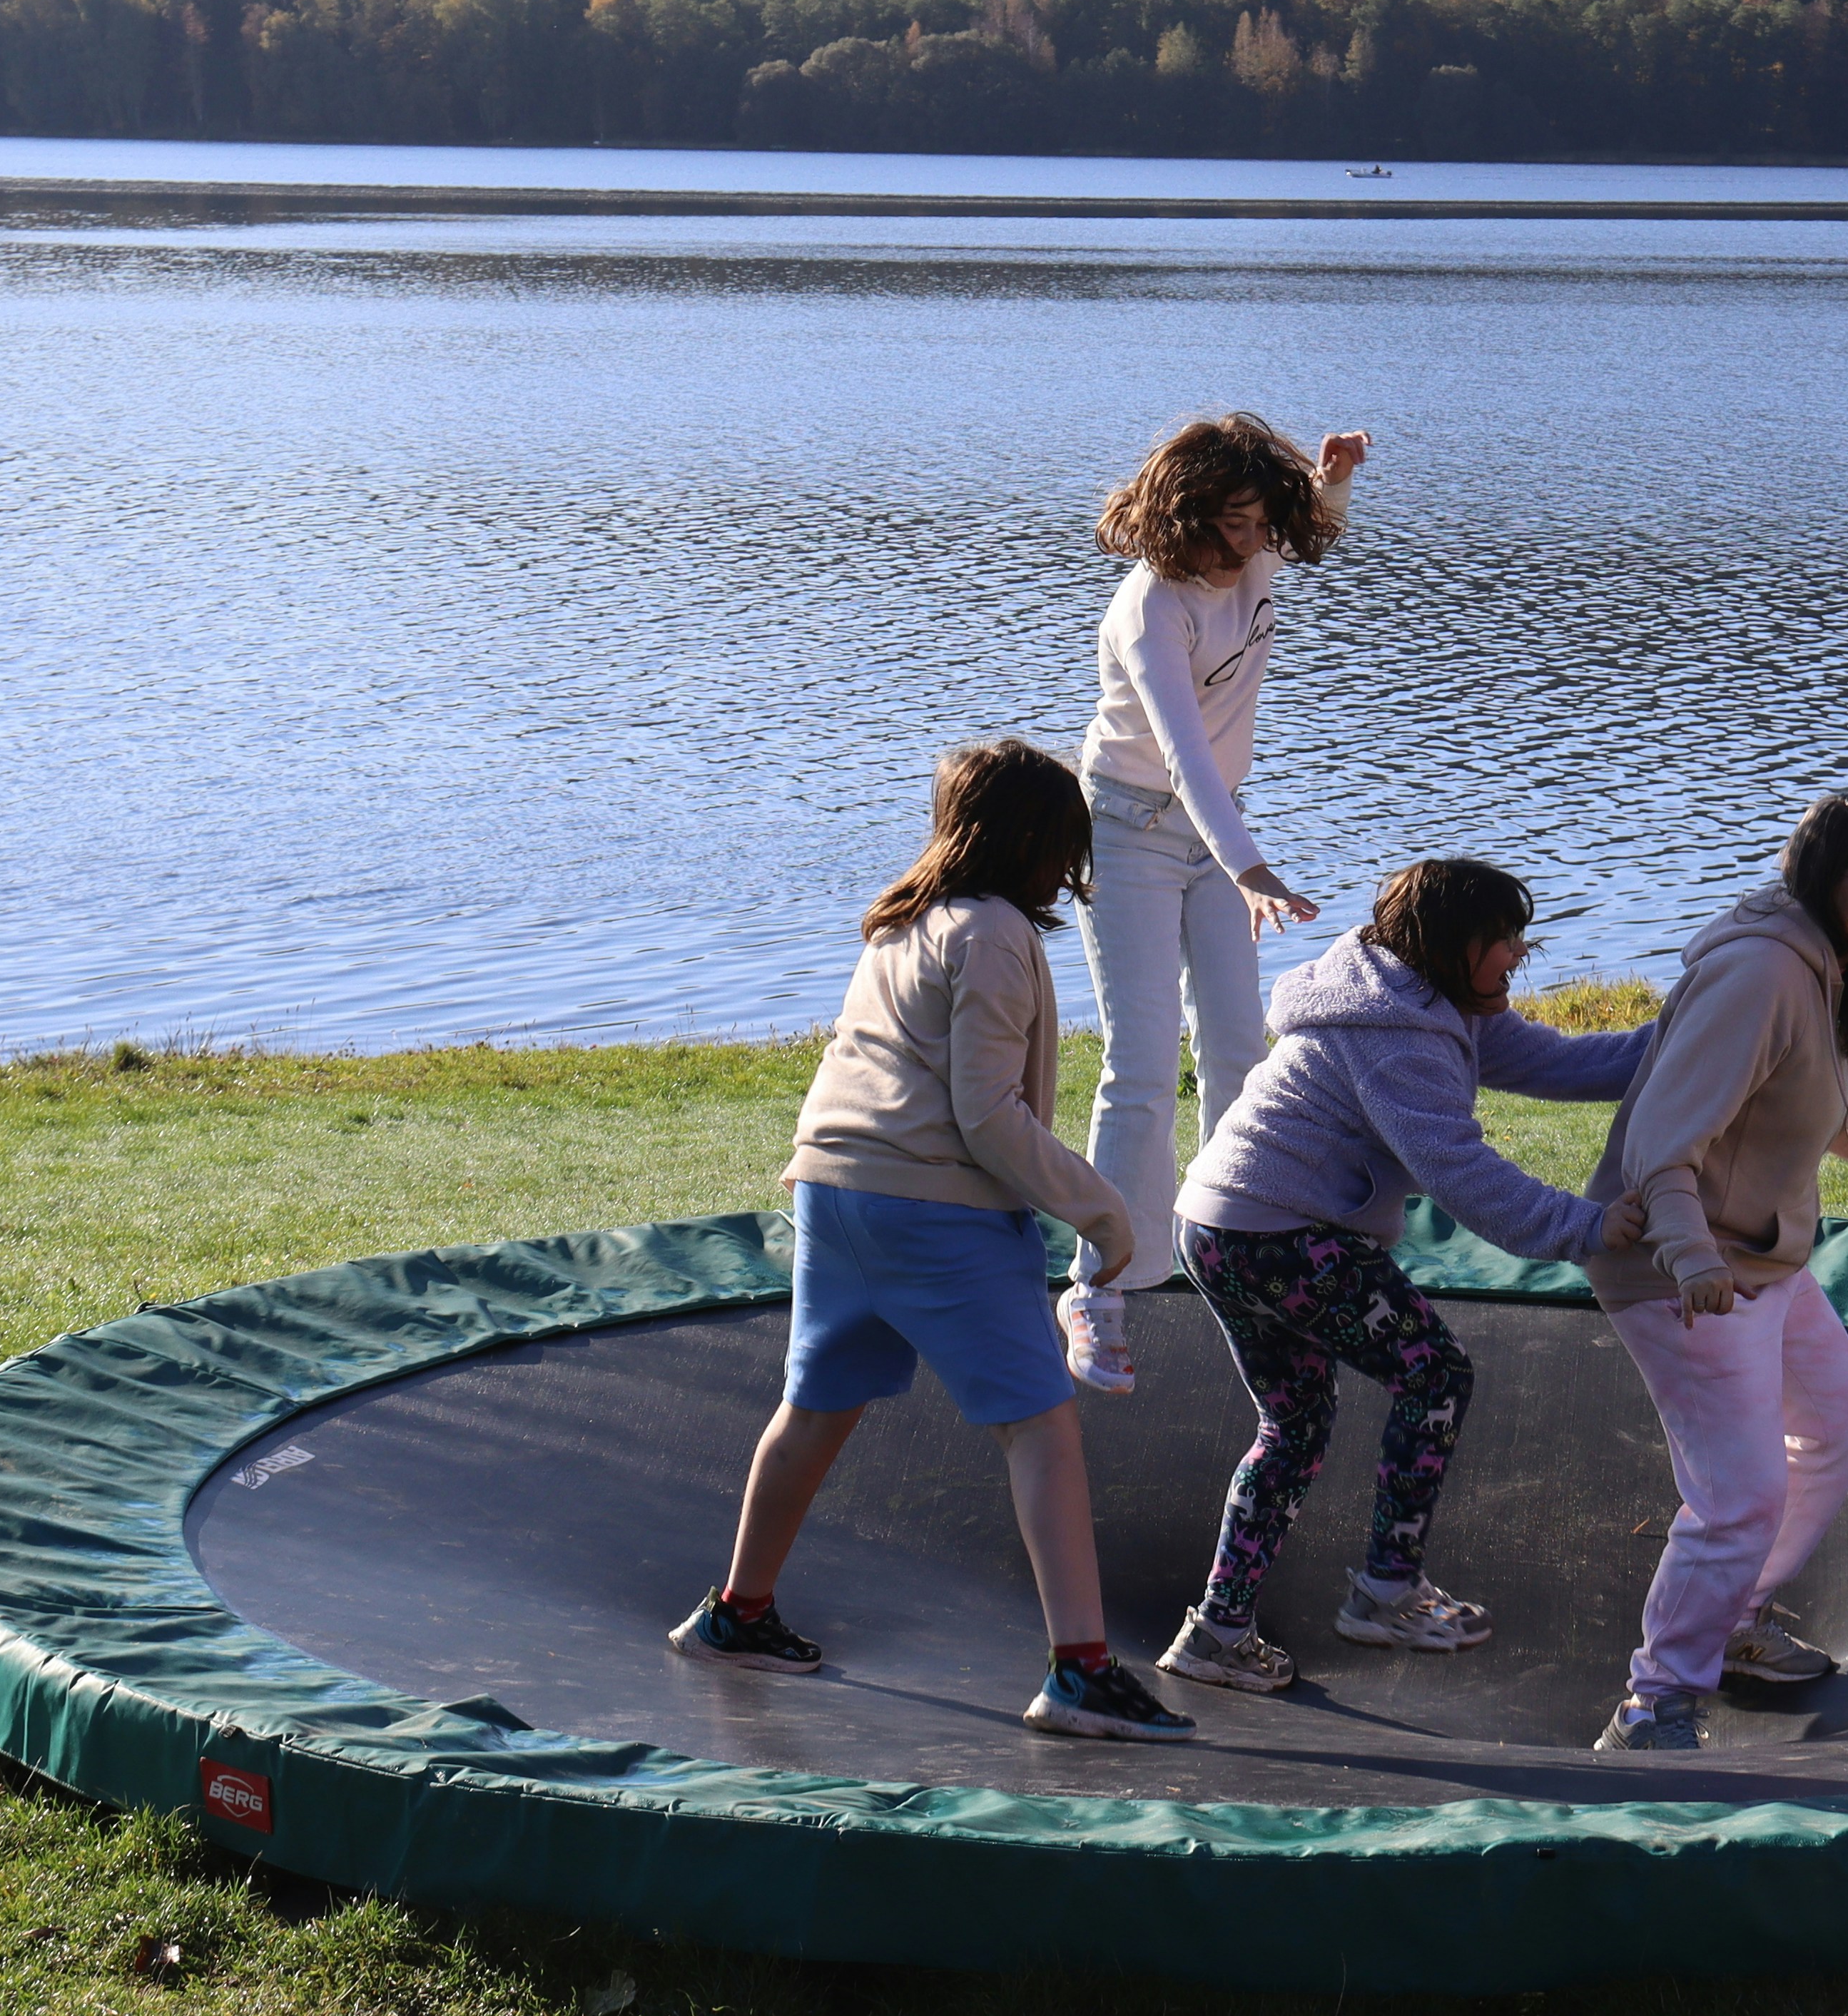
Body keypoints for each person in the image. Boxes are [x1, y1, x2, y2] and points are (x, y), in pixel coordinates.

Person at [667, 736, 1195, 1741]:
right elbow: (989, 1118)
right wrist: (1101, 1208)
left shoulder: (902, 919)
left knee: (816, 1408)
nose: (1068, 873)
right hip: (935, 1211)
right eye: (1065, 850)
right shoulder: (993, 934)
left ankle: (735, 1613)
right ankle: (1081, 1671)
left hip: (834, 1192)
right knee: (1040, 1424)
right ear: (1035, 846)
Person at [1578, 793, 1848, 1753]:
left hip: (1752, 1258)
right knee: (1738, 1494)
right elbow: (1662, 1137)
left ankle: (1734, 1618)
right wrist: (1691, 1255)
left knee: (1835, 1420)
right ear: (1823, 877)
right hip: (1682, 1266)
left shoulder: (1812, 968)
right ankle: (1656, 1702)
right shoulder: (1759, 975)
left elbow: (1837, 1096)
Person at [1154, 860, 1660, 1696]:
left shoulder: (1425, 997)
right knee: (1435, 1374)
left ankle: (1217, 1631)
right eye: (1504, 939)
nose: (1518, 953)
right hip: (1278, 1231)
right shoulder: (1393, 1034)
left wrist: (1684, 1034)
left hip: (1218, 1224)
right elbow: (1462, 1174)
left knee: (1295, 1425)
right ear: (1455, 944)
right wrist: (1589, 1228)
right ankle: (1387, 1591)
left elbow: (1565, 1064)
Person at [1057, 409, 1369, 1393]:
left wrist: (1331, 483)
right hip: (1130, 831)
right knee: (1141, 1062)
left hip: (1215, 827)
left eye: (1257, 520)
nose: (1246, 545)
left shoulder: (1257, 553)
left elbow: (1314, 529)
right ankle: (1101, 1286)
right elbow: (1184, 753)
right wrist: (1249, 867)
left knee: (1239, 1046)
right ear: (1183, 516)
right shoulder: (1150, 607)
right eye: (1226, 525)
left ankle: (1239, 1248)